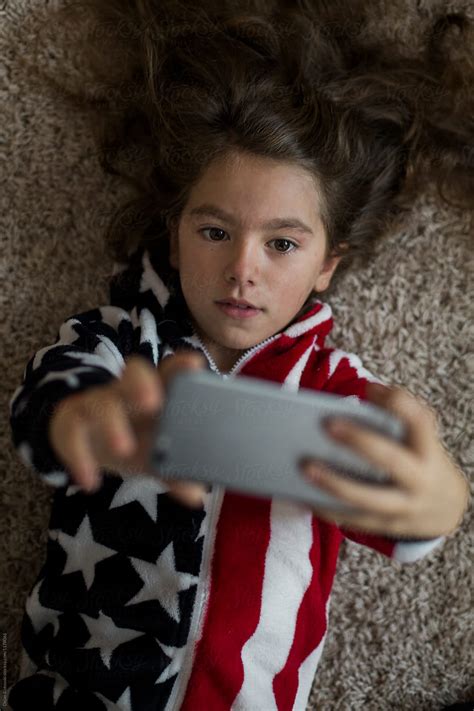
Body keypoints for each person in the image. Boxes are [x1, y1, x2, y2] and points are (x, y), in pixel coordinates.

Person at [7, 1, 471, 709]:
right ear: (174, 232)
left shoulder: (336, 391)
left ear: (326, 265)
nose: (243, 269)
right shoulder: (120, 342)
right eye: (215, 230)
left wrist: (439, 499)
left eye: (281, 243)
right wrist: (81, 419)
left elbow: (404, 507)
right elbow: (44, 401)